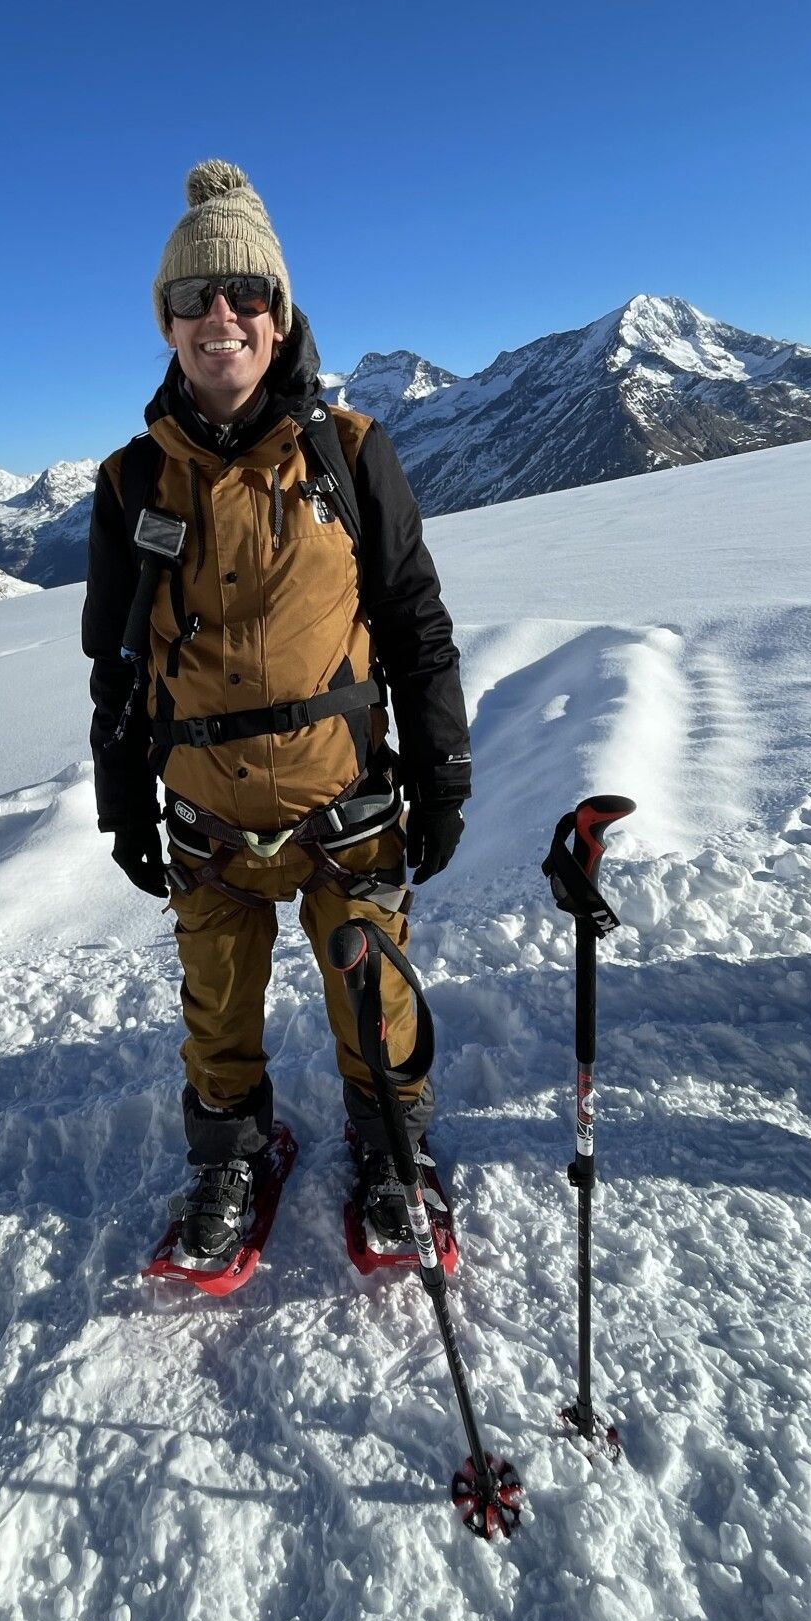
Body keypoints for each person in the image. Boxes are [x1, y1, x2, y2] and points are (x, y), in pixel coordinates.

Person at [82, 162, 470, 1264]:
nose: (222, 316)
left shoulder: (350, 451)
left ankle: (393, 1148)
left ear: (280, 312)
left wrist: (442, 768)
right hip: (206, 817)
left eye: (246, 292)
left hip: (345, 801)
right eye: (194, 297)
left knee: (372, 994)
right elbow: (115, 663)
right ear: (166, 322)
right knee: (216, 1006)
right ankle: (231, 1153)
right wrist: (123, 803)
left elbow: (414, 622)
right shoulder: (129, 483)